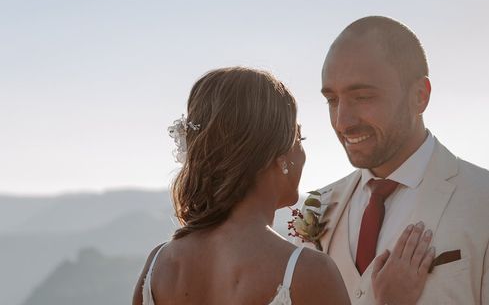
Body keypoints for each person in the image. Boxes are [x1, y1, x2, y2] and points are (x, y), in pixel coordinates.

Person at [132, 67, 435, 305]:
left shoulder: (158, 266)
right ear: (276, 156)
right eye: (298, 139)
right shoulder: (305, 272)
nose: (301, 152)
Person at [310, 16, 489, 304]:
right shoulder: (318, 208)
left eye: (362, 97)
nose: (342, 122)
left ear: (419, 96)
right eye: (332, 100)